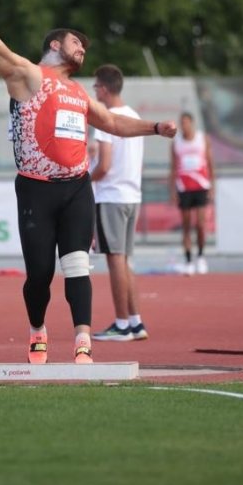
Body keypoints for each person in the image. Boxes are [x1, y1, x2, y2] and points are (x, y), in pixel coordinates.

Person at [0, 0, 176, 364]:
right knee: (39, 275)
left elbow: (114, 123)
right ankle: (37, 328)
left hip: (77, 187)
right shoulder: (30, 76)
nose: (83, 48)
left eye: (85, 46)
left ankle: (83, 339)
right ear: (54, 43)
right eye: (76, 42)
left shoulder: (79, 92)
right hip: (35, 188)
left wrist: (154, 128)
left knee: (78, 265)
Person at [88, 64, 149, 343]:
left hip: (111, 196)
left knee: (115, 261)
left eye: (95, 87)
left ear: (104, 88)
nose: (94, 92)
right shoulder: (134, 116)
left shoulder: (107, 118)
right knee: (124, 261)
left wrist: (83, 179)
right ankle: (134, 321)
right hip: (131, 195)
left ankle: (122, 323)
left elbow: (105, 165)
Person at [170, 112, 214, 275]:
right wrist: (172, 190)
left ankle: (201, 256)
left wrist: (212, 185)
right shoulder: (177, 143)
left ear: (192, 123)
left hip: (201, 185)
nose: (184, 126)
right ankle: (188, 259)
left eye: (187, 122)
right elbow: (173, 167)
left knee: (201, 224)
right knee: (187, 226)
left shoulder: (202, 139)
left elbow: (210, 162)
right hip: (184, 187)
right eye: (182, 123)